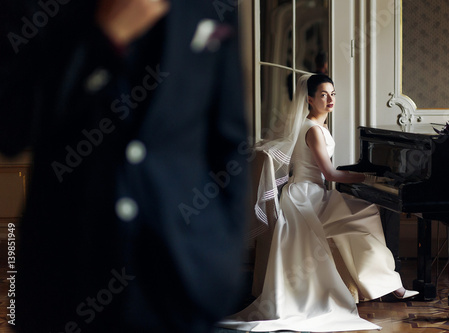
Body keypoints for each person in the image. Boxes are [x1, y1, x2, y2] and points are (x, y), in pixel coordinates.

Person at [1, 1, 248, 332]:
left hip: (186, 277)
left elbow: (229, 140)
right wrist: (103, 38)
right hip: (67, 274)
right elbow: (12, 128)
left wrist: (225, 260)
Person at [218, 74, 417, 332]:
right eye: (323, 95)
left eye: (333, 93)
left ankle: (388, 283)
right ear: (310, 99)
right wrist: (370, 177)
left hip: (306, 192)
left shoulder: (311, 125)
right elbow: (332, 174)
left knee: (362, 214)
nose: (330, 99)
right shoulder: (312, 129)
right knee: (366, 211)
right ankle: (390, 284)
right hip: (306, 197)